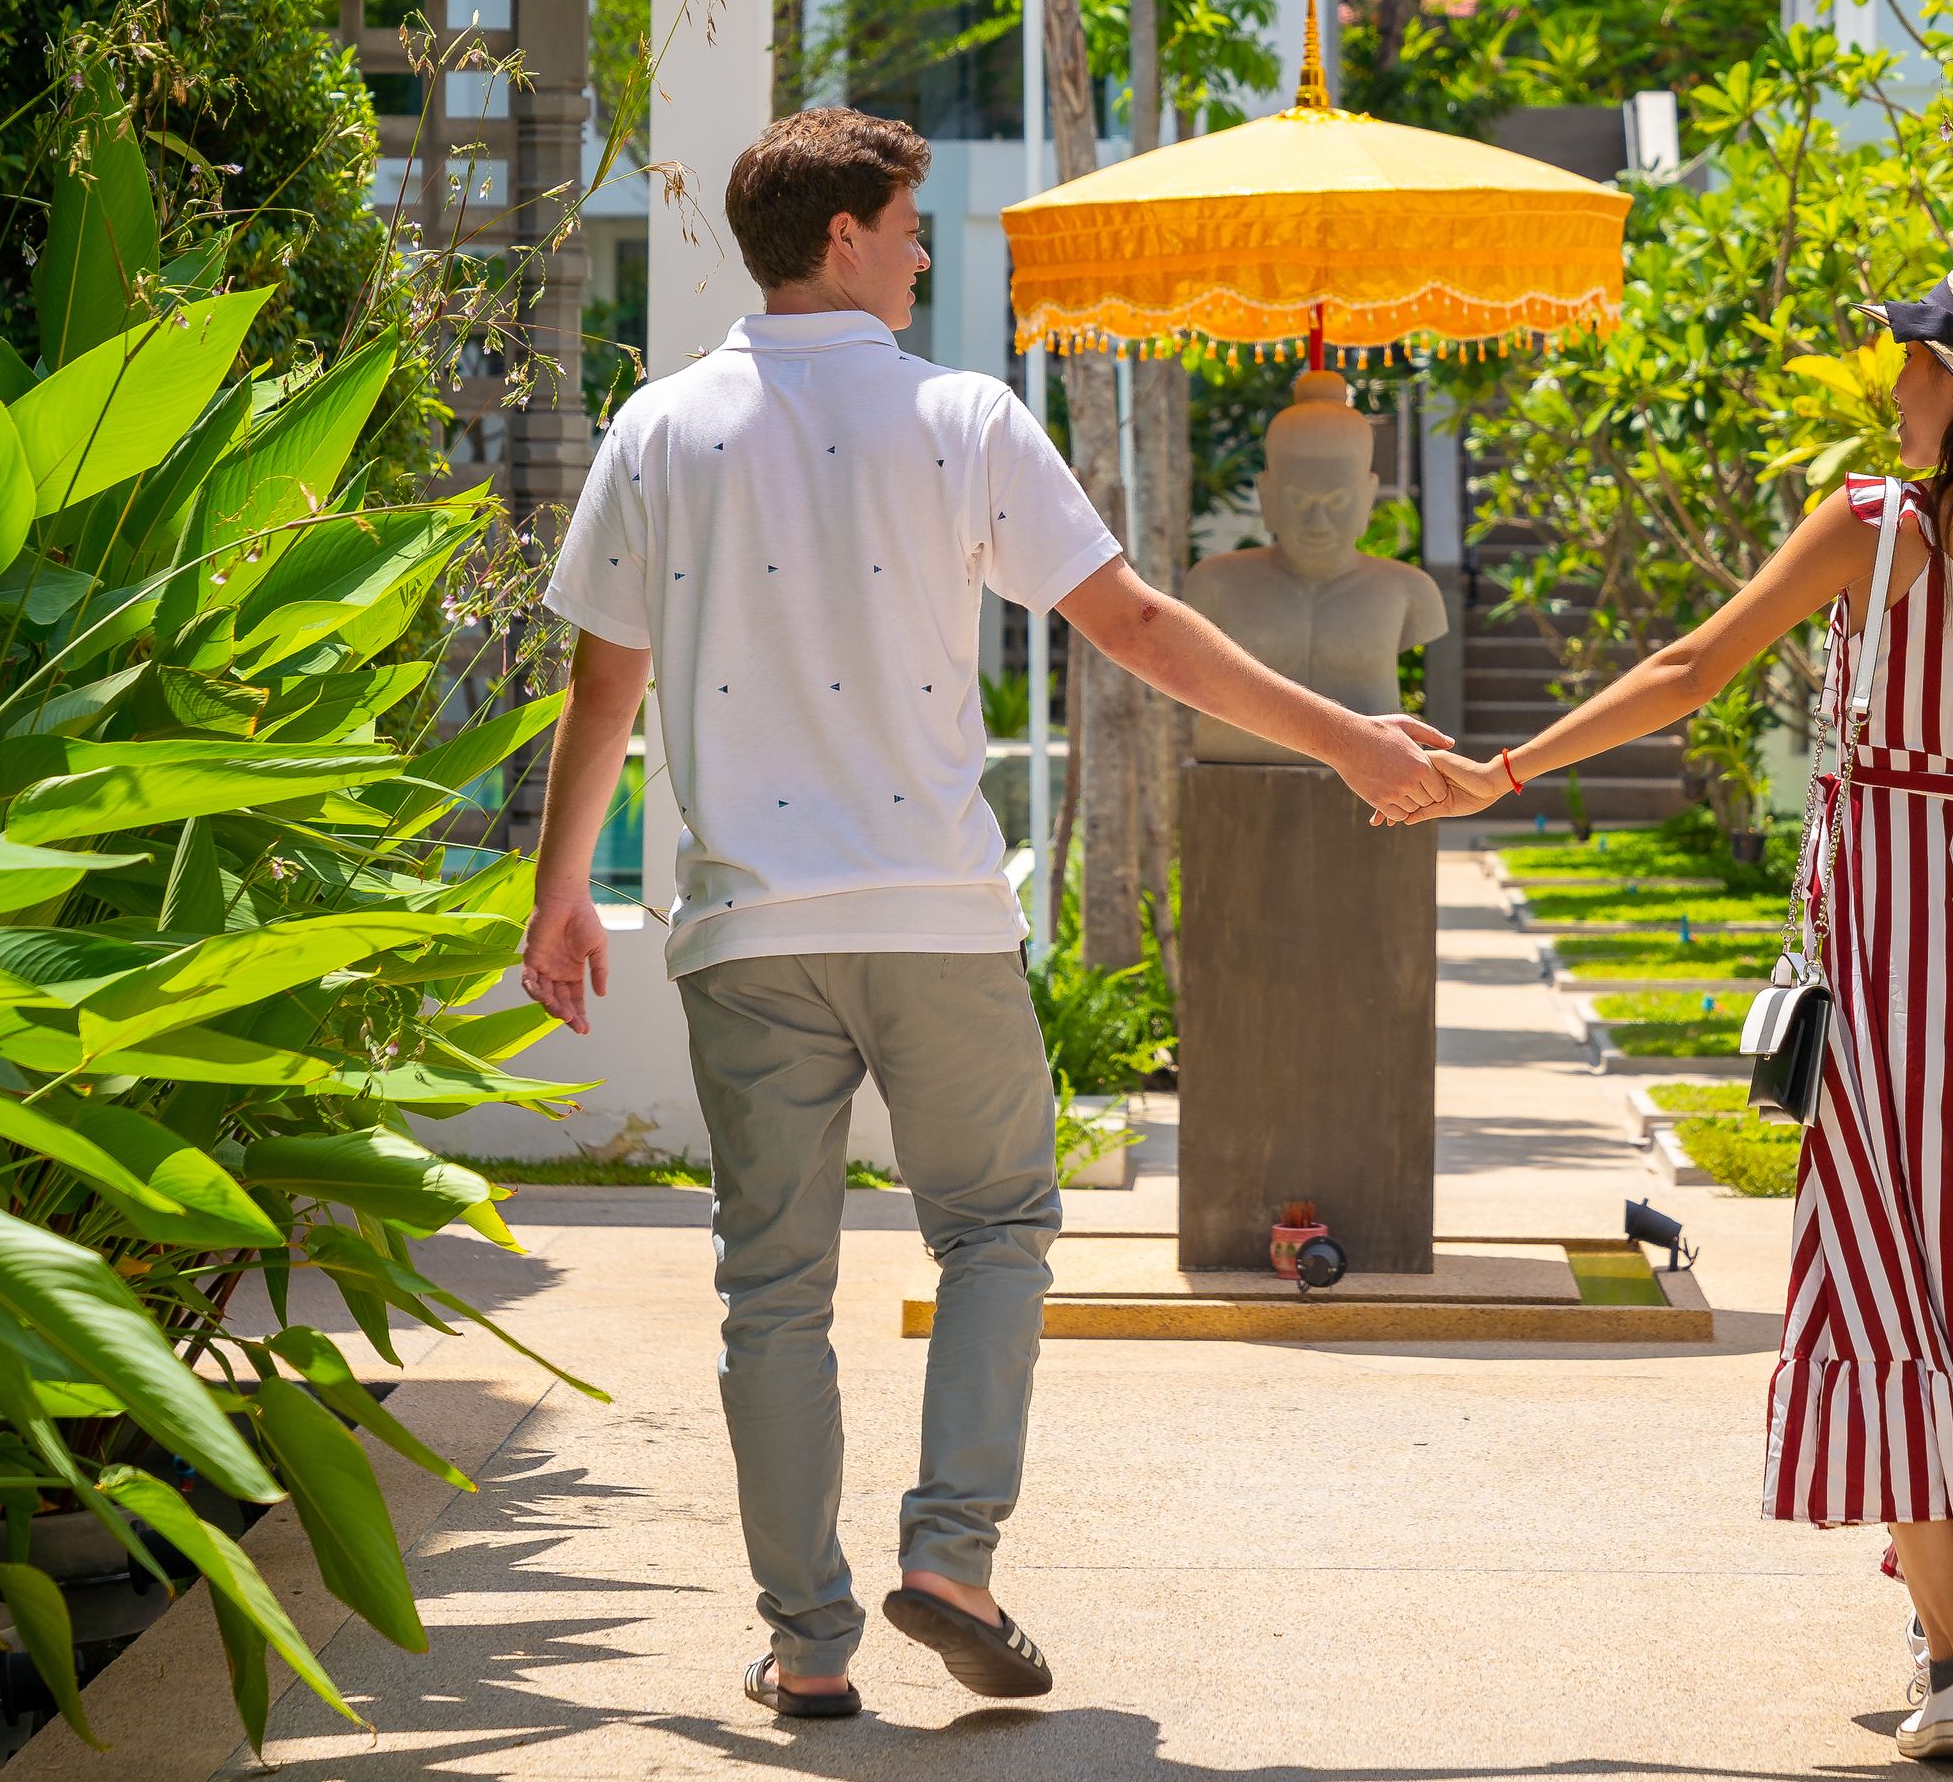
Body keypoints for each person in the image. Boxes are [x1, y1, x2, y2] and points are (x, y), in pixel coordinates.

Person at [518, 106, 1452, 1724]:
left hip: (749, 934)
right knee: (1000, 1228)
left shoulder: (657, 431)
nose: (928, 248)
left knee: (772, 1291)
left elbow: (604, 689)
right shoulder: (961, 418)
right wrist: (1352, 742)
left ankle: (810, 1645)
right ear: (840, 239)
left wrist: (560, 898)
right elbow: (1141, 629)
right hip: (937, 921)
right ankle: (951, 1556)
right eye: (911, 220)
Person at [1401, 246, 1953, 1763]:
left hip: (1888, 954)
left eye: (1916, 361)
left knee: (1891, 1280)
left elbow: (1688, 671)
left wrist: (1506, 769)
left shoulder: (1871, 533)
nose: (1894, 380)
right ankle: (1950, 1623)